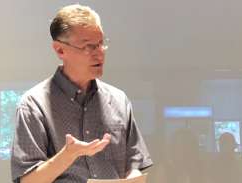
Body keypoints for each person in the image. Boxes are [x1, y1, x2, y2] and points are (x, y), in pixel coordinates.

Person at [11, 4, 153, 183]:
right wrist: (67, 156)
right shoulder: (33, 105)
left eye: (101, 44)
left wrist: (132, 178)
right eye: (88, 47)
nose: (99, 53)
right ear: (60, 50)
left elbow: (135, 164)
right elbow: (28, 180)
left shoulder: (119, 100)